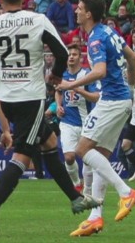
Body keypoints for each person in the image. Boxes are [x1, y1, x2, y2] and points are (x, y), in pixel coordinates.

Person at [0, 0, 101, 242]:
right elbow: (62, 53)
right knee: (23, 156)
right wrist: (55, 75)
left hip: (6, 98)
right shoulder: (37, 20)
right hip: (30, 97)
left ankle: (75, 198)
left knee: (49, 141)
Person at [56, 0, 135, 237]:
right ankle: (95, 217)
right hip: (122, 98)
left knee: (82, 151)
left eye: (80, 8)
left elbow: (100, 71)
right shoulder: (109, 31)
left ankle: (126, 192)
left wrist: (71, 85)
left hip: (111, 101)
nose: (76, 11)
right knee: (100, 156)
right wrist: (132, 81)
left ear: (89, 14)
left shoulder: (94, 39)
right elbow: (132, 57)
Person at [55, 44, 99, 191]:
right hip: (67, 122)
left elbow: (95, 98)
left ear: (80, 58)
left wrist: (76, 88)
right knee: (69, 157)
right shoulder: (62, 74)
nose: (71, 57)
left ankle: (87, 191)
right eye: (69, 54)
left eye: (75, 54)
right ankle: (76, 184)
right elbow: (58, 91)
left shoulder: (87, 75)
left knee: (87, 159)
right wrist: (58, 106)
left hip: (85, 122)